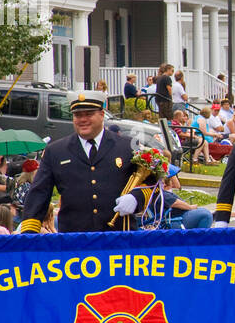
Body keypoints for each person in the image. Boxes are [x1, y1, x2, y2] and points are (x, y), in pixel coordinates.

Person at [19, 92, 156, 233]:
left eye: (89, 114)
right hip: (75, 241)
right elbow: (39, 194)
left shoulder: (126, 146)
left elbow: (153, 182)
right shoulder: (56, 151)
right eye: (78, 115)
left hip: (118, 240)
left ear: (102, 114)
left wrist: (136, 198)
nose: (83, 119)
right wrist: (29, 237)